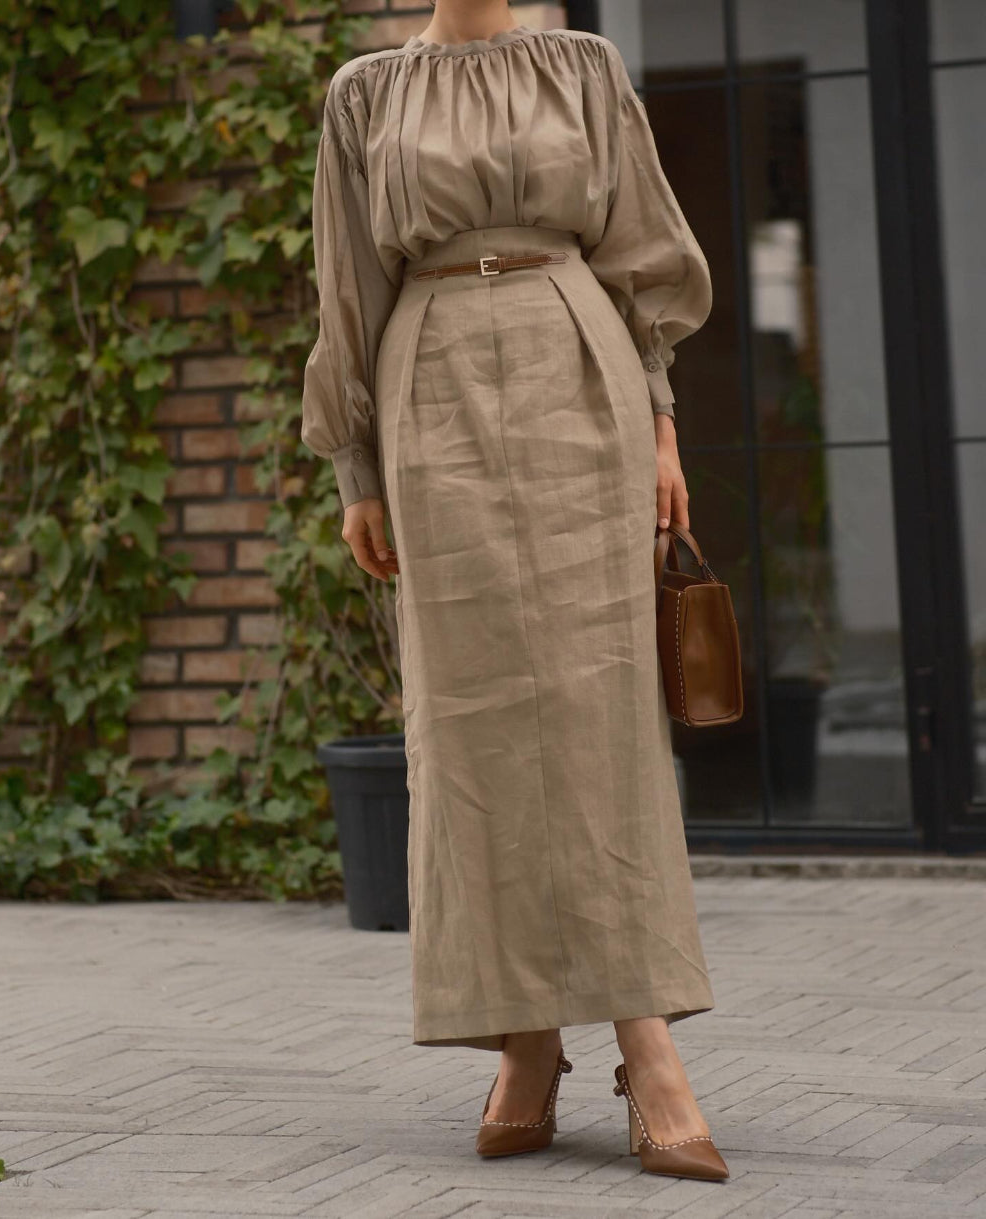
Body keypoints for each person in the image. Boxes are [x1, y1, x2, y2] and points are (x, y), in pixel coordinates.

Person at [301, 0, 728, 1182]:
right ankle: (524, 1039)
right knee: (470, 722)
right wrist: (354, 469)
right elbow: (348, 285)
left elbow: (640, 247)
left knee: (602, 706)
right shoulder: (364, 93)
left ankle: (646, 1043)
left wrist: (662, 427)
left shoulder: (584, 66)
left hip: (578, 371)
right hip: (428, 388)